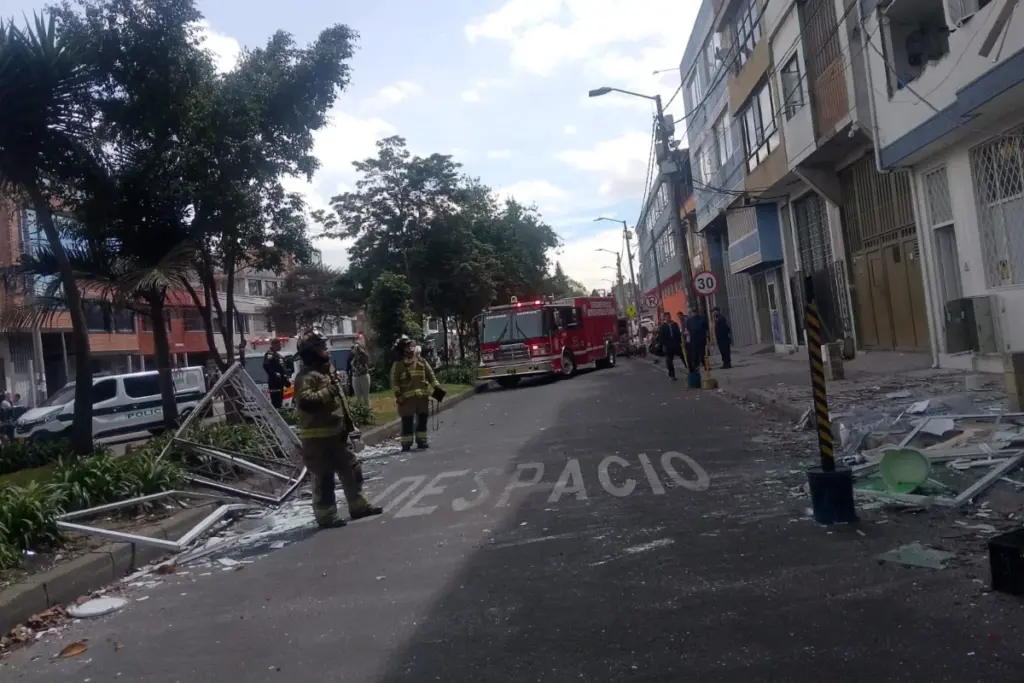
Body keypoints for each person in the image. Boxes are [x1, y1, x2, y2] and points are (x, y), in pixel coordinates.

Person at [293, 331, 382, 528]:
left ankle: (358, 506)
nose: (327, 351)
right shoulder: (306, 377)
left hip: (338, 436)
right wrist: (329, 390)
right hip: (318, 441)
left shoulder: (328, 372)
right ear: (311, 353)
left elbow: (340, 403)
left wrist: (350, 427)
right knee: (324, 479)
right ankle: (326, 516)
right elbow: (306, 402)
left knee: (352, 470)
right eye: (322, 348)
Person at [391, 336, 445, 451]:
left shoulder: (421, 360)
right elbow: (394, 382)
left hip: (422, 398)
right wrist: (398, 395)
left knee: (422, 421)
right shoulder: (399, 365)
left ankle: (422, 441)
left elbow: (431, 376)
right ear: (402, 349)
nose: (410, 348)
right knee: (407, 423)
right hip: (406, 400)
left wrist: (438, 391)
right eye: (407, 346)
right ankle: (406, 443)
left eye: (411, 346)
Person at [262, 339, 290, 410]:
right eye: (279, 344)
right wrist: (275, 374)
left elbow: (281, 369)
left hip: (280, 383)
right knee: (276, 403)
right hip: (274, 384)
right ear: (274, 345)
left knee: (280, 402)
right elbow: (266, 365)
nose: (280, 346)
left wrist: (285, 381)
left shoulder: (278, 355)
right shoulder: (269, 354)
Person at [657, 312, 683, 381]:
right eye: (666, 317)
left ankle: (690, 369)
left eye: (668, 316)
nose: (668, 318)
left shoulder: (674, 324)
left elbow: (678, 334)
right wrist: (661, 346)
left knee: (683, 356)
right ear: (664, 318)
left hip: (676, 344)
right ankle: (672, 375)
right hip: (668, 346)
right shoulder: (663, 326)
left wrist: (680, 342)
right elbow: (661, 337)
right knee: (669, 361)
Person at [348, 334, 372, 406]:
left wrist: (360, 351)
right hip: (355, 377)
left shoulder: (363, 354)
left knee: (365, 396)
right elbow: (349, 366)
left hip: (363, 376)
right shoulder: (351, 356)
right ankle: (361, 413)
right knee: (358, 397)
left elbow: (367, 360)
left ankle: (368, 412)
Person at [685, 307, 710, 375]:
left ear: (697, 312)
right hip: (693, 340)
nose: (694, 313)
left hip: (701, 339)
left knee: (703, 354)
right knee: (695, 354)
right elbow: (688, 331)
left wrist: (707, 337)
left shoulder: (701, 319)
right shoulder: (689, 320)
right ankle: (696, 366)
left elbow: (706, 328)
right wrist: (688, 340)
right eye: (693, 312)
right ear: (691, 313)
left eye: (695, 312)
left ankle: (706, 365)